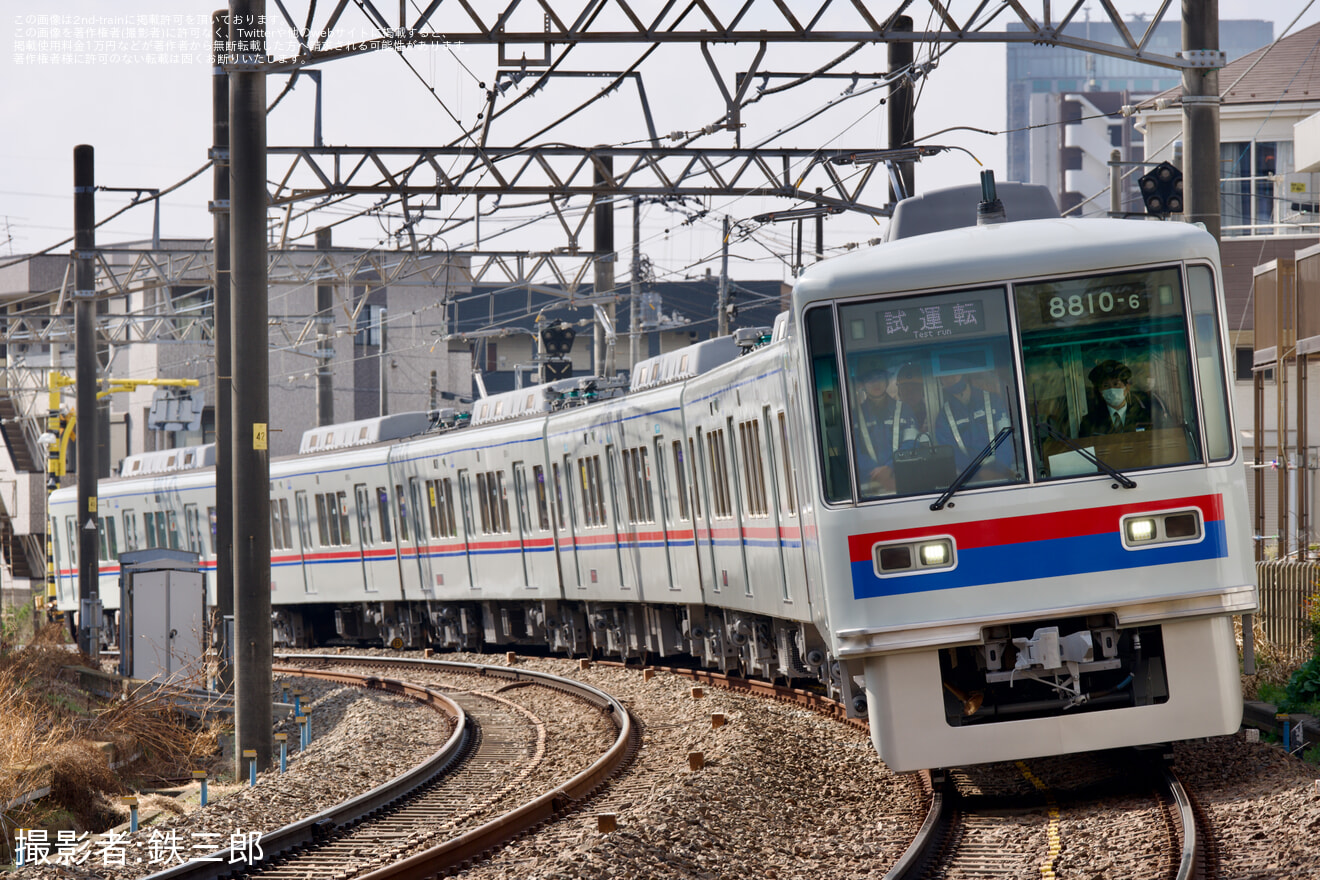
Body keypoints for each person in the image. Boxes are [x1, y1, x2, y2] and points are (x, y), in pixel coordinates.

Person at [852, 362, 921, 493]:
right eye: (870, 379)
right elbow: (854, 451)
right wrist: (879, 475)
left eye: (879, 377)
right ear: (863, 384)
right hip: (869, 488)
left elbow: (912, 443)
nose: (875, 383)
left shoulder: (904, 410)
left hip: (903, 483)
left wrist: (890, 467)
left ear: (886, 380)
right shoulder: (854, 416)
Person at [935, 372, 1015, 474]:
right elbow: (951, 454)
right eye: (944, 375)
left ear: (964, 374)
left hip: (1002, 475)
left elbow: (1006, 437)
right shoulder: (943, 417)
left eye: (953, 373)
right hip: (969, 481)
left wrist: (999, 470)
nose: (949, 378)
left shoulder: (994, 402)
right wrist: (976, 474)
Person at [1079, 359, 1162, 436]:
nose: (1111, 389)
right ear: (1100, 391)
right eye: (1106, 385)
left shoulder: (1147, 417)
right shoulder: (1090, 422)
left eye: (1116, 384)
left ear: (1127, 387)